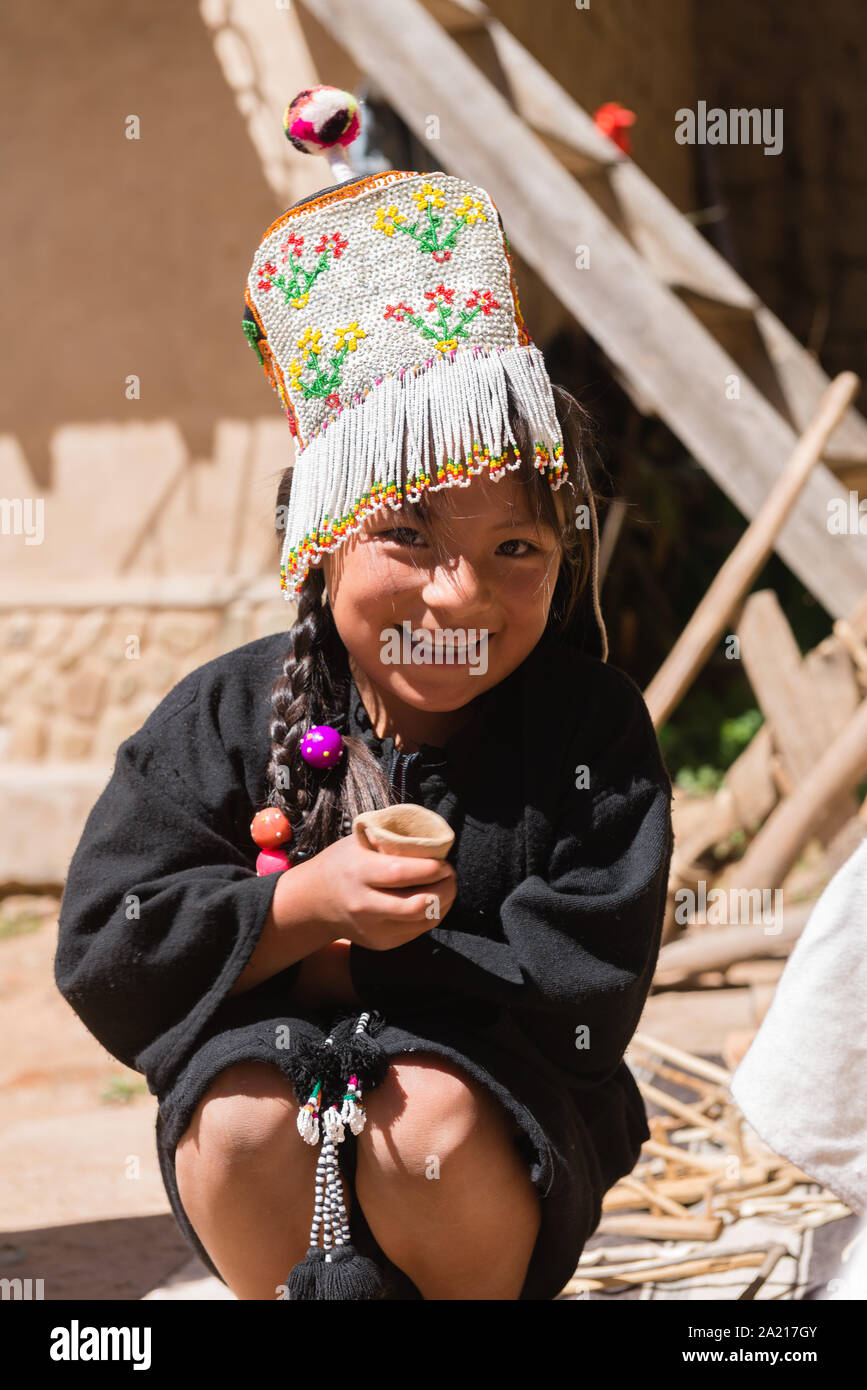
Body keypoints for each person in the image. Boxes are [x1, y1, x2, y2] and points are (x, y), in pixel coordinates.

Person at [54, 138, 674, 1300]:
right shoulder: (228, 715)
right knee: (240, 1119)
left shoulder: (587, 728)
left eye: (517, 549)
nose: (461, 595)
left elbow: (594, 985)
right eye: (410, 539)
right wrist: (293, 910)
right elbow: (106, 940)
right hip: (270, 1127)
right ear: (319, 540)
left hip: (484, 1144)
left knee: (422, 1123)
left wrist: (401, 973)